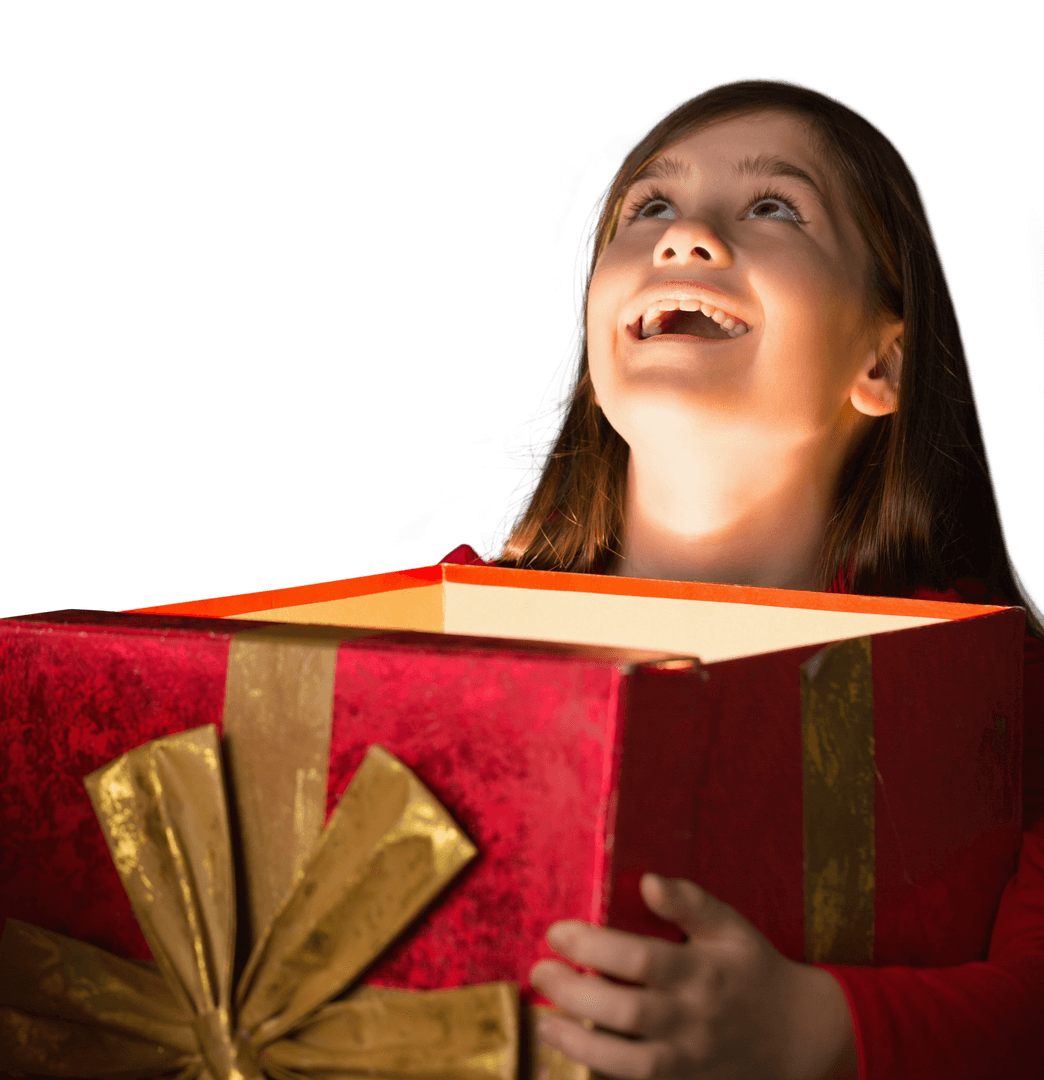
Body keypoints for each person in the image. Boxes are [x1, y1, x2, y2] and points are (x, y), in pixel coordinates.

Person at [444, 77, 1044, 1079]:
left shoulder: (1003, 701)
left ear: (883, 364)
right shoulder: (425, 639)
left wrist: (823, 1032)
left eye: (774, 207)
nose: (685, 239)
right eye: (649, 207)